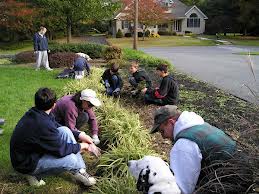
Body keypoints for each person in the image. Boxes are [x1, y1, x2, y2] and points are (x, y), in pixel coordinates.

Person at [10, 88, 101, 187]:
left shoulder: (37, 112)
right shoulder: (44, 125)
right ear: (54, 105)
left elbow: (56, 125)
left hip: (29, 153)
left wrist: (79, 135)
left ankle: (80, 171)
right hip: (25, 163)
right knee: (71, 159)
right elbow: (61, 150)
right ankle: (33, 174)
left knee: (65, 130)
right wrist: (83, 146)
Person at [150, 105, 237, 194]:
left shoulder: (184, 145)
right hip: (239, 174)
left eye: (162, 131)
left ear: (171, 122)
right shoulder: (198, 125)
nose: (163, 137)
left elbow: (181, 190)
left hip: (231, 185)